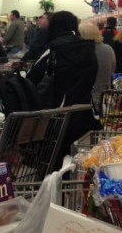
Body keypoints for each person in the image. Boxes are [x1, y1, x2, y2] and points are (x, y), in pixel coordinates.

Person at [27, 11, 100, 168]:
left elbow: (32, 77)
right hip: (83, 113)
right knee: (78, 164)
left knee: (53, 163)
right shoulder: (89, 49)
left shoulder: (53, 49)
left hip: (56, 115)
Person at [78, 21, 116, 110]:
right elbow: (112, 70)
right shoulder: (108, 49)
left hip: (86, 99)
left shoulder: (83, 52)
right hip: (106, 98)